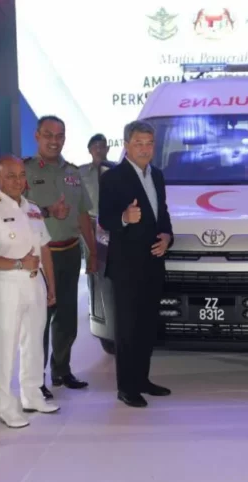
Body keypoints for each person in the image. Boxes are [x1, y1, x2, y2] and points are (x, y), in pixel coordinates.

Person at [0, 155, 60, 428]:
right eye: (10, 176)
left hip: (35, 283)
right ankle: (7, 407)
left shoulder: (32, 208)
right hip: (7, 285)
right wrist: (19, 264)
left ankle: (32, 395)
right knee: (6, 347)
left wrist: (51, 285)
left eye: (21, 175)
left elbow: (44, 249)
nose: (17, 181)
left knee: (34, 341)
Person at [98, 121, 174, 408]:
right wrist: (123, 218)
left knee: (147, 325)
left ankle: (142, 380)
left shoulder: (157, 175)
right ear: (126, 145)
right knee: (127, 328)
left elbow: (162, 213)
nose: (145, 149)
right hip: (126, 266)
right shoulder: (113, 178)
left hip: (153, 262)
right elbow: (105, 218)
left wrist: (167, 237)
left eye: (149, 143)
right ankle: (126, 387)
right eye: (139, 143)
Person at [24, 115, 97, 398]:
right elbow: (6, 208)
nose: (54, 141)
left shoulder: (74, 172)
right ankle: (36, 380)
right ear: (37, 136)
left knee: (67, 318)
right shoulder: (23, 170)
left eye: (59, 136)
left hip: (70, 252)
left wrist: (92, 252)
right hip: (40, 257)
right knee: (40, 320)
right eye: (48, 135)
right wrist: (47, 211)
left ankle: (61, 370)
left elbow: (83, 214)